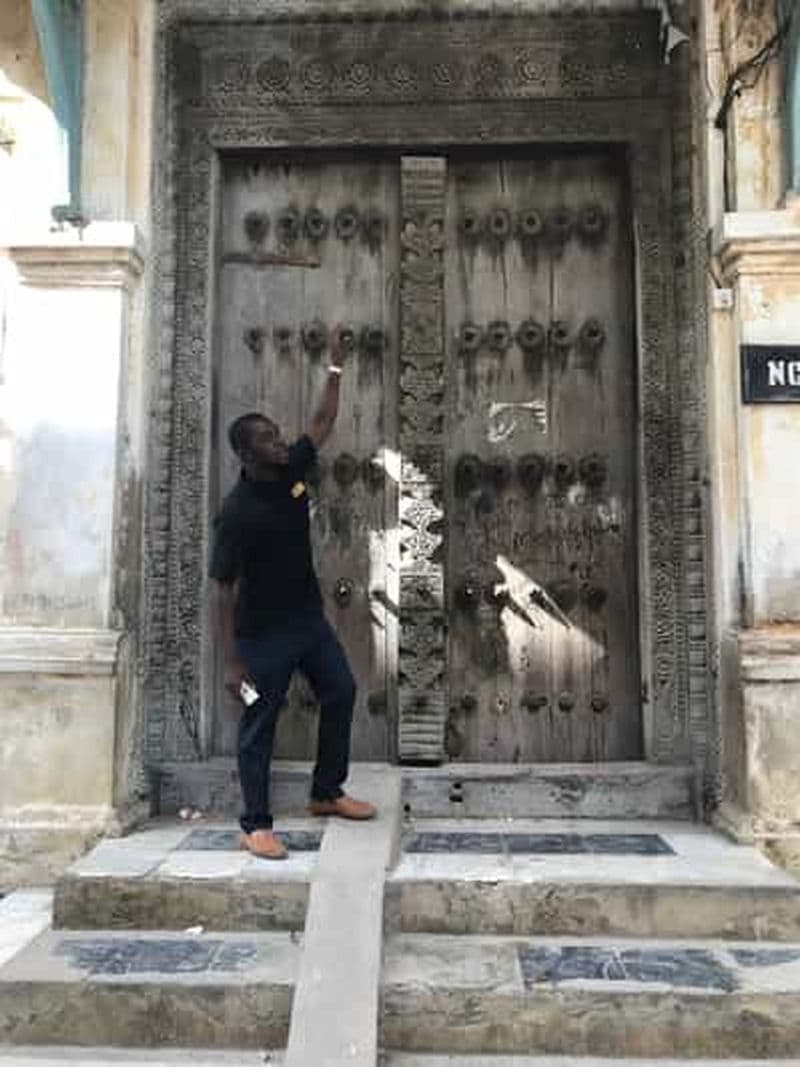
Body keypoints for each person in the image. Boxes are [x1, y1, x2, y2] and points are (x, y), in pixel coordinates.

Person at [210, 327, 375, 860]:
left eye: (279, 436)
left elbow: (323, 422)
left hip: (307, 625)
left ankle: (326, 792)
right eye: (269, 440)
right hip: (260, 640)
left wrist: (335, 365)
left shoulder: (290, 473)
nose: (281, 443)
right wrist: (232, 662)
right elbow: (222, 588)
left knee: (342, 691)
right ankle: (255, 825)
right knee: (259, 720)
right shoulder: (236, 513)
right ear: (245, 452)